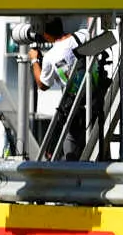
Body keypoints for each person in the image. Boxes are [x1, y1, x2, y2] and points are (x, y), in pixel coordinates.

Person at [29, 19, 97, 159]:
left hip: (75, 108)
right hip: (96, 97)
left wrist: (34, 60)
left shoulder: (51, 56)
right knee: (97, 143)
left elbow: (43, 85)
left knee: (71, 150)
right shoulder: (83, 35)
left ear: (46, 34)